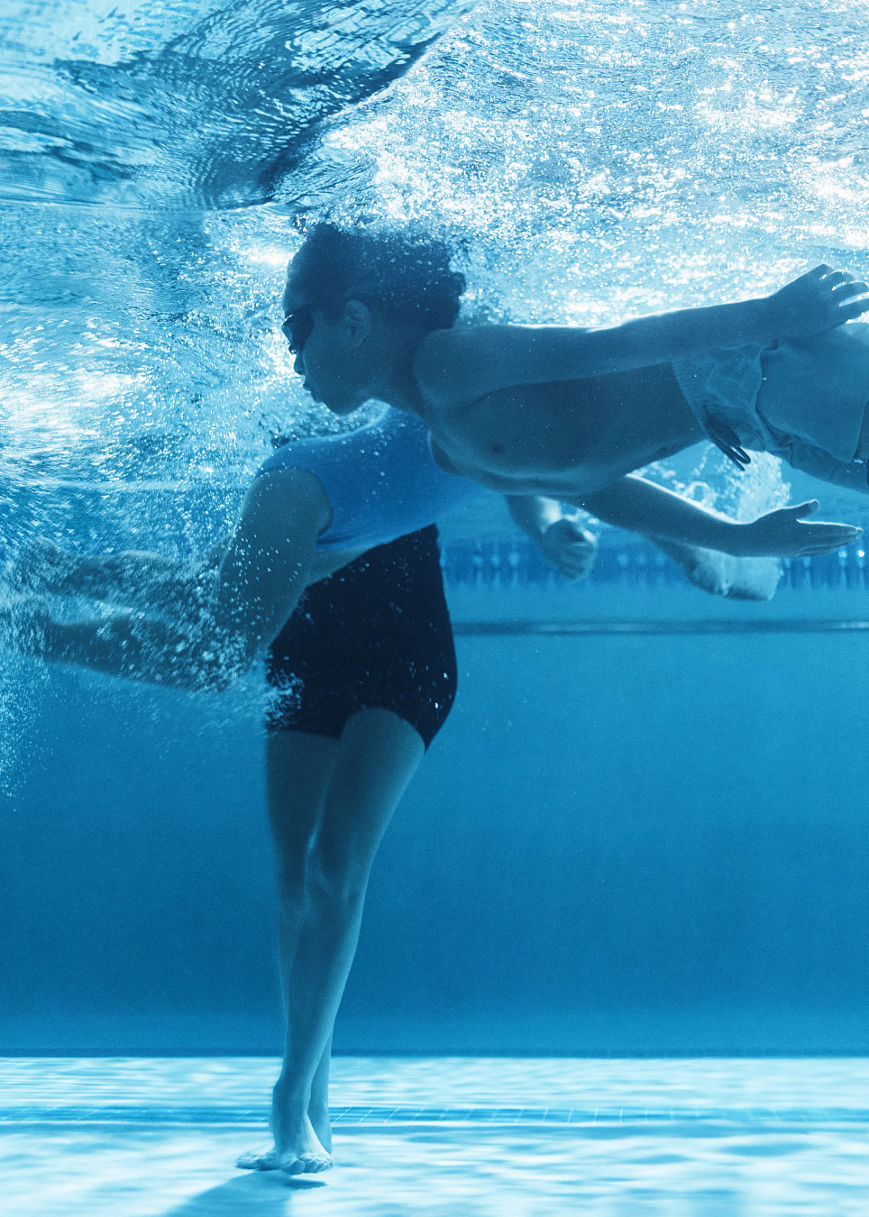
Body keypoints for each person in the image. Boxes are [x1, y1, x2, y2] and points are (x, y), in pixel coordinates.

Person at [1, 407, 601, 1179]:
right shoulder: (291, 438)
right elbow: (213, 585)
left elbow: (509, 458)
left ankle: (288, 1100)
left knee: (333, 865)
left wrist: (548, 527)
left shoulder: (412, 404)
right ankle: (312, 1104)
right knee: (292, 880)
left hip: (403, 660)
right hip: (303, 654)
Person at [281, 222, 868, 557]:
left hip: (751, 366)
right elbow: (602, 491)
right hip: (745, 421)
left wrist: (772, 315)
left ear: (353, 321)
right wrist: (734, 540)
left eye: (295, 330)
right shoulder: (450, 448)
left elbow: (606, 344)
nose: (293, 357)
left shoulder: (447, 361)